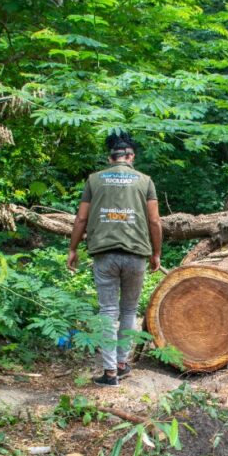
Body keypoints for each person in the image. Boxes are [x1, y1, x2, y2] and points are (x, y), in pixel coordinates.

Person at [67, 132, 162, 386]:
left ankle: (110, 373)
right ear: (131, 157)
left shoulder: (94, 180)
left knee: (108, 310)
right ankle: (122, 363)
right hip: (136, 254)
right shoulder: (145, 181)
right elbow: (154, 220)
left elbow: (81, 219)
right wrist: (156, 253)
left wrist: (73, 249)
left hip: (104, 254)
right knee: (129, 309)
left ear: (110, 158)